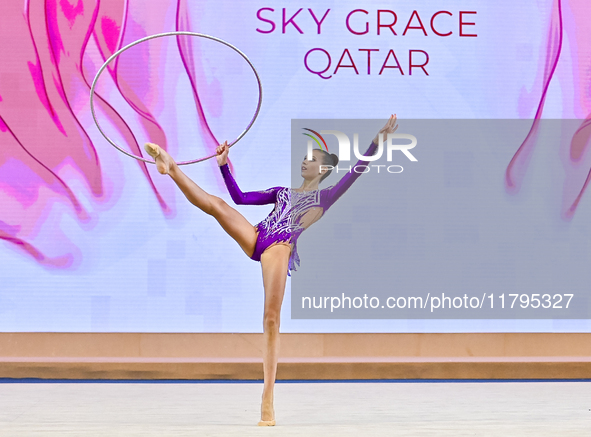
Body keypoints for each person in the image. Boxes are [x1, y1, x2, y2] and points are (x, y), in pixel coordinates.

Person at [144, 115, 398, 426]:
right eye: (305, 158)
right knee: (218, 206)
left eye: (313, 160)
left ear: (325, 169)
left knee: (271, 318)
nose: (306, 162)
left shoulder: (325, 197)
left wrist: (376, 141)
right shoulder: (281, 192)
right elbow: (240, 198)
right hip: (258, 234)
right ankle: (171, 168)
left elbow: (357, 171)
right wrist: (224, 165)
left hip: (281, 246)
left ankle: (267, 397)